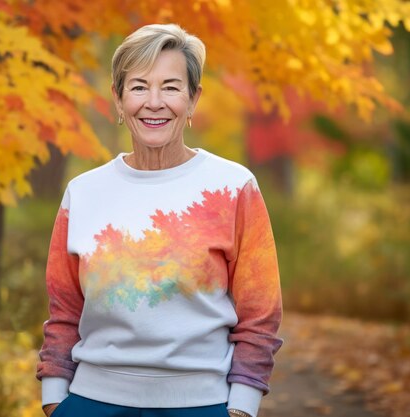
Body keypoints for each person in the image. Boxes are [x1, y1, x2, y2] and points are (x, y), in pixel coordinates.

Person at [36, 23, 283, 417]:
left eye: (170, 86)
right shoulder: (83, 193)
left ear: (193, 98)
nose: (154, 102)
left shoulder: (234, 188)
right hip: (92, 403)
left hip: (203, 405)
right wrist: (54, 400)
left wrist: (242, 408)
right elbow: (64, 310)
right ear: (118, 100)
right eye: (138, 87)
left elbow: (260, 313)